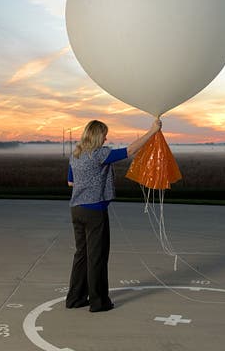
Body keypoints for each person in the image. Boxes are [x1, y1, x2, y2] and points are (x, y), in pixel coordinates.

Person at [66, 117, 162, 312]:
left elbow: (70, 183)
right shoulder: (99, 154)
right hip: (94, 211)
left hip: (77, 209)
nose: (106, 138)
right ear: (97, 135)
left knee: (81, 255)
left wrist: (87, 182)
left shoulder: (75, 155)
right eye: (104, 134)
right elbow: (130, 151)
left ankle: (75, 298)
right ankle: (99, 302)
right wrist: (152, 131)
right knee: (97, 257)